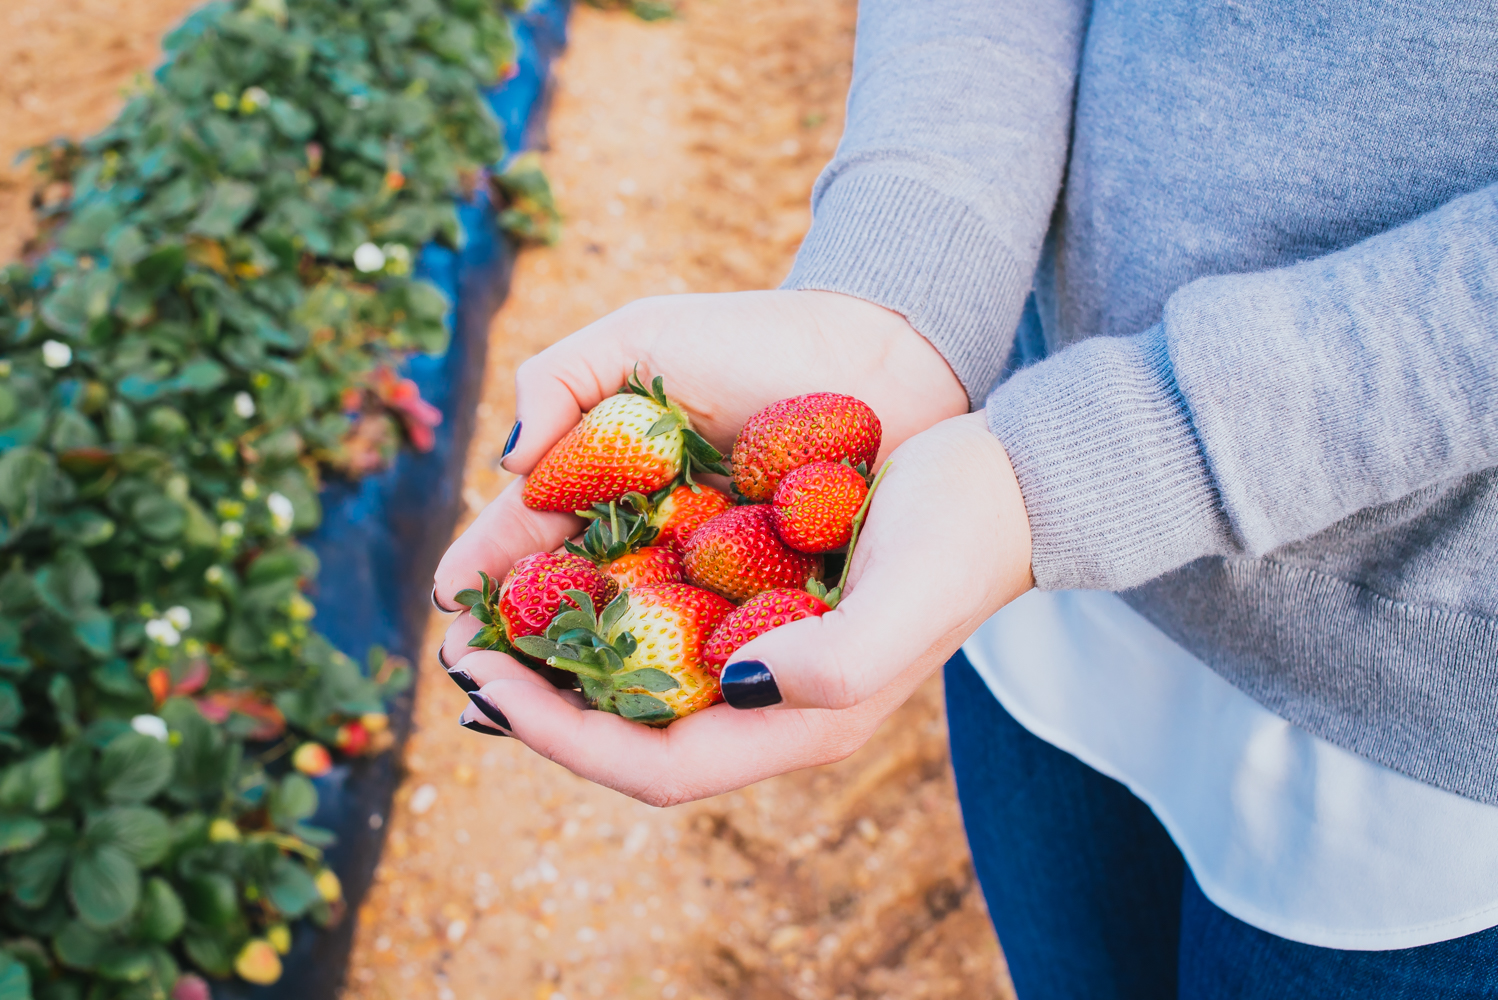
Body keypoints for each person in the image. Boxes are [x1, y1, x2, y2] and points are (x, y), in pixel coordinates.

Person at [431, 1, 1498, 996]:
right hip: (1011, 539)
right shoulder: (964, 494)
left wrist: (1140, 445)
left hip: (1410, 727)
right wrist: (900, 299)